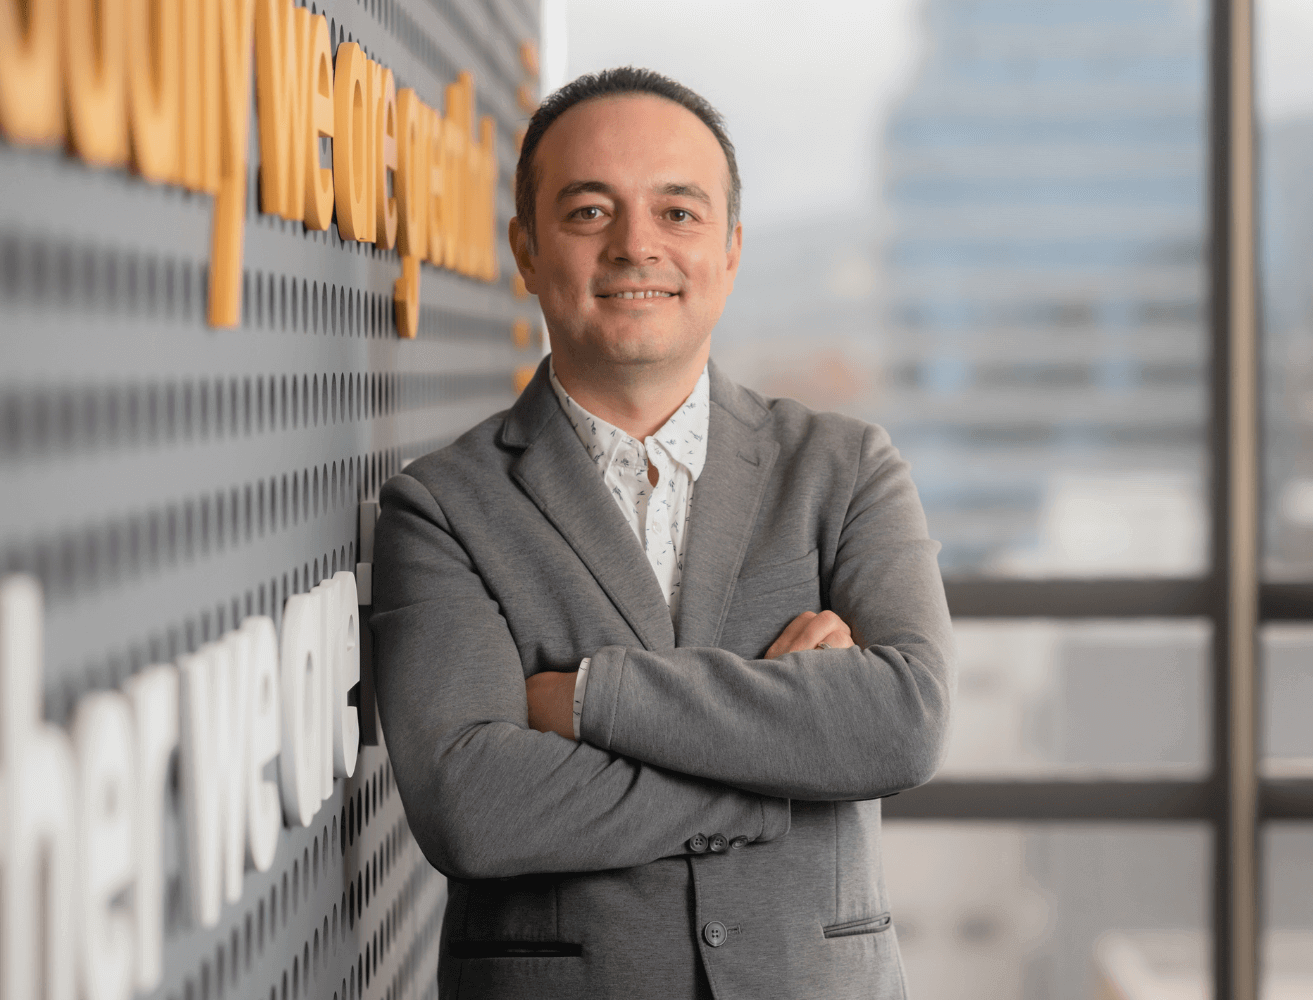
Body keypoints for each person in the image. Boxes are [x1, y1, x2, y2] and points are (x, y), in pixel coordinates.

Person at [371, 66, 953, 1000]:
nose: (636, 245)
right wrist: (784, 764)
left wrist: (588, 700)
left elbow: (905, 723)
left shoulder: (846, 470)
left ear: (729, 249)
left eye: (677, 213)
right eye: (590, 212)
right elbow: (474, 807)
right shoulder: (442, 508)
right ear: (526, 250)